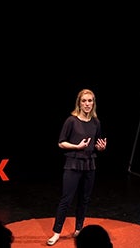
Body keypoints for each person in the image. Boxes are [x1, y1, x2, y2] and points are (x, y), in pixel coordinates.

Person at [47, 88, 108, 246]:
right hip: (73, 163)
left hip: (90, 163)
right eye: (84, 101)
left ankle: (79, 229)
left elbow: (96, 144)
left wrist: (100, 148)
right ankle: (56, 232)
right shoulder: (71, 121)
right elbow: (61, 143)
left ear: (93, 103)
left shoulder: (96, 122)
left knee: (85, 199)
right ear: (79, 103)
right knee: (66, 199)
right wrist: (76, 146)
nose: (87, 104)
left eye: (90, 101)